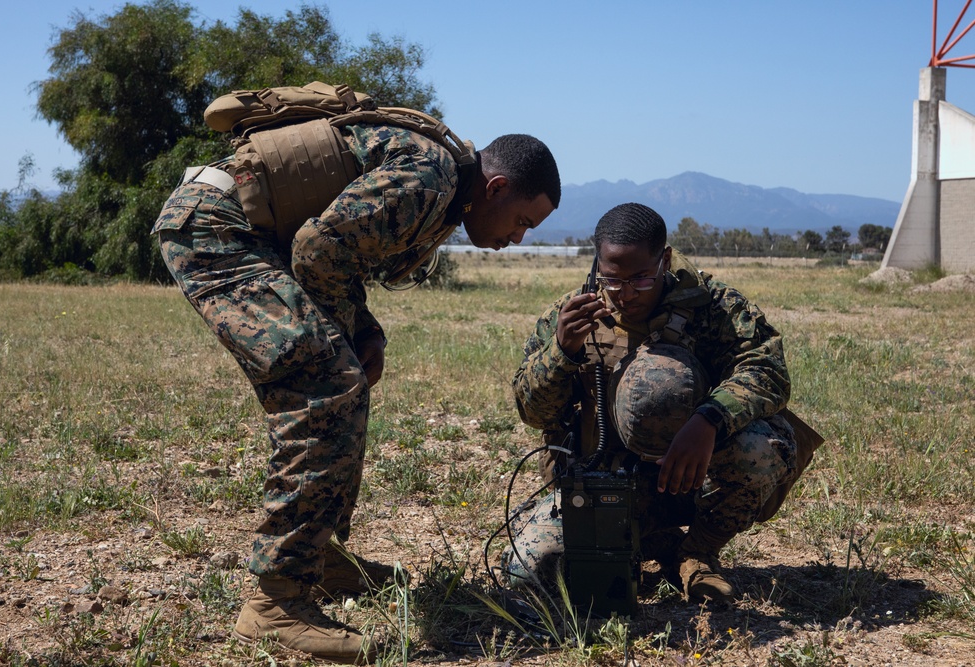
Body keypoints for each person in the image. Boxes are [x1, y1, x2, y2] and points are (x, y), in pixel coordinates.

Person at [152, 116, 560, 663]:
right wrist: (350, 333)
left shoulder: (444, 184)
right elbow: (317, 248)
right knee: (328, 385)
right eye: (522, 221)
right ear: (497, 188)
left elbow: (336, 252)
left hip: (242, 229)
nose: (517, 238)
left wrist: (363, 330)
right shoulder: (431, 176)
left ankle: (315, 559)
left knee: (340, 379)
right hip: (217, 228)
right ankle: (276, 602)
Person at [506, 202, 820, 607]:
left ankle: (696, 553)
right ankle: (644, 546)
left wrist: (709, 420)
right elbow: (533, 413)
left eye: (640, 279)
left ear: (665, 259)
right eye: (612, 279)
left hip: (695, 479)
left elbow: (768, 371)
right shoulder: (572, 315)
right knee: (529, 568)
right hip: (604, 486)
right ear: (596, 265)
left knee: (763, 448)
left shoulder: (714, 306)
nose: (624, 294)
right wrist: (562, 351)